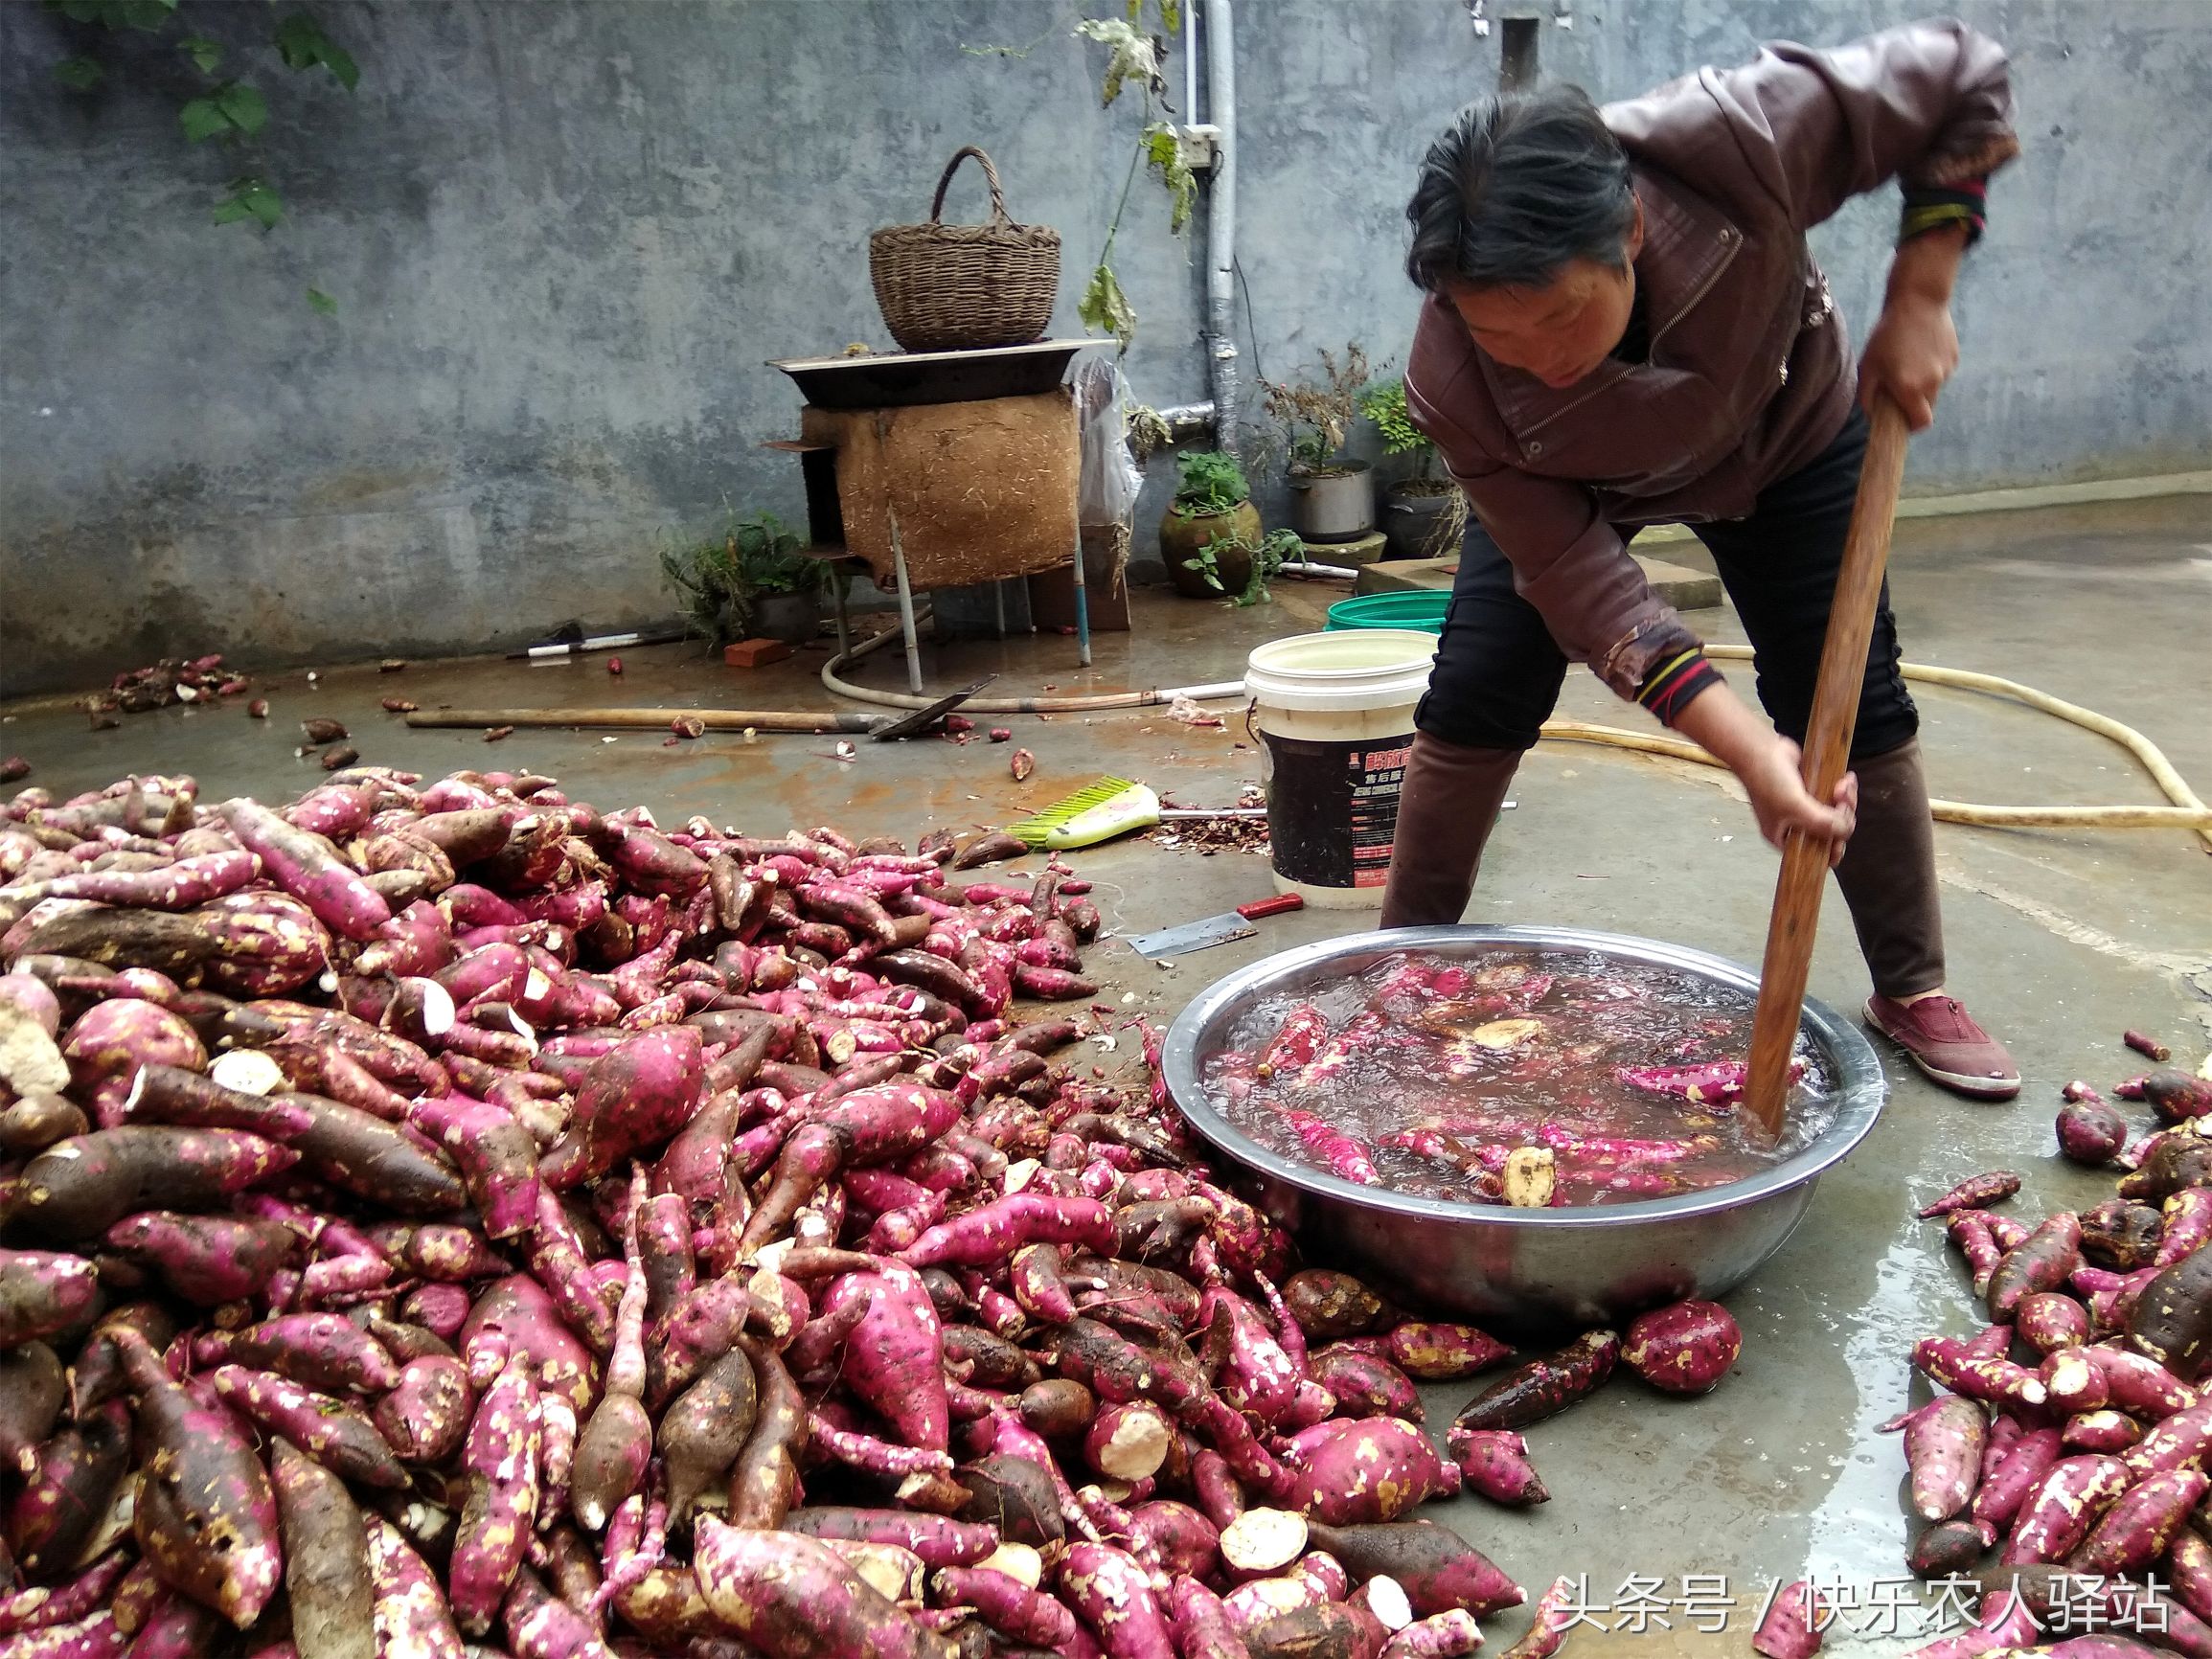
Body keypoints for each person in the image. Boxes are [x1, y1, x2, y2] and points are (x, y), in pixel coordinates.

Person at [1382, 22, 2022, 1100]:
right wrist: (1740, 748)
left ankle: (1909, 985)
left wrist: (1921, 288)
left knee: (1848, 697)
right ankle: (1396, 964)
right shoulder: (1455, 383)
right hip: (1573, 487)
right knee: (1480, 683)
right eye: (1502, 338)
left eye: (1557, 316)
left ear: (1627, 228)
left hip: (1784, 429)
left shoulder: (1740, 144)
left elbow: (1961, 74)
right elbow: (1588, 592)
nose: (1538, 360)